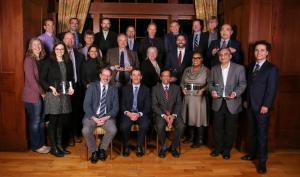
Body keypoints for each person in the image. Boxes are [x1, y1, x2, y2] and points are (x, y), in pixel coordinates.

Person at [241, 40, 278, 174]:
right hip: (250, 105)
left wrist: (266, 105)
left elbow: (271, 89)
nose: (259, 53)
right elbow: (248, 86)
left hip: (262, 107)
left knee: (262, 135)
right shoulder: (250, 66)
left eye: (262, 50)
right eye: (257, 50)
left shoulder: (271, 69)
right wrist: (245, 100)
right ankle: (252, 154)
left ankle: (262, 162)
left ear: (267, 53)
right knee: (251, 133)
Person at [208, 47, 246, 160]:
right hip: (218, 101)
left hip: (232, 102)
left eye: (225, 54)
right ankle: (217, 149)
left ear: (230, 56)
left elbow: (242, 84)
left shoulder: (239, 68)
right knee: (217, 128)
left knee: (230, 129)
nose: (223, 56)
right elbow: (210, 83)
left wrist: (235, 93)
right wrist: (212, 91)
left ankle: (226, 150)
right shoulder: (214, 69)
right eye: (220, 55)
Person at [40, 42, 74, 157]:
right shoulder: (48, 62)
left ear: (64, 50)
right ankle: (54, 147)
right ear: (54, 50)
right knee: (53, 121)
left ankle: (60, 146)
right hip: (53, 95)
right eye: (57, 49)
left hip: (64, 95)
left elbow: (71, 79)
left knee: (61, 121)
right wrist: (50, 88)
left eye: (62, 49)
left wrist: (71, 88)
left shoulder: (68, 62)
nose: (60, 51)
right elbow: (42, 79)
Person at [82, 67, 119, 163]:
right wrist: (95, 118)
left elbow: (115, 108)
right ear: (100, 75)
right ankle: (94, 151)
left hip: (107, 116)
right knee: (86, 130)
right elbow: (86, 105)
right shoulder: (92, 87)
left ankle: (102, 149)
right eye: (104, 75)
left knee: (113, 129)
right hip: (92, 116)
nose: (106, 78)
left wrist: (106, 117)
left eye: (108, 76)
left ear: (111, 77)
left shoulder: (114, 89)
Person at [23, 38, 50, 154]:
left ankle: (41, 144)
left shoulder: (36, 59)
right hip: (31, 96)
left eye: (39, 44)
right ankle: (36, 146)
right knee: (35, 121)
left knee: (39, 120)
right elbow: (31, 80)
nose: (38, 46)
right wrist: (42, 92)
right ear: (30, 47)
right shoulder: (29, 60)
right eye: (35, 45)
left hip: (37, 95)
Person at [152, 69, 185, 158]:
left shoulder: (177, 88)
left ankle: (173, 147)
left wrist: (173, 116)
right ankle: (163, 147)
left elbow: (179, 103)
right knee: (159, 126)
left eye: (168, 76)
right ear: (160, 77)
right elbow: (154, 105)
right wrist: (164, 116)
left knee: (181, 126)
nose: (166, 78)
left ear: (170, 78)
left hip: (174, 114)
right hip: (161, 114)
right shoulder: (155, 89)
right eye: (164, 76)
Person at [181, 51, 209, 148]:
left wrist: (203, 90)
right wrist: (183, 88)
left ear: (201, 59)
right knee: (189, 117)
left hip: (198, 97)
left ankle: (200, 140)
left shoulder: (206, 70)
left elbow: (210, 84)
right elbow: (182, 82)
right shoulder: (187, 69)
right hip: (188, 95)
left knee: (198, 118)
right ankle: (191, 137)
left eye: (198, 58)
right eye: (194, 58)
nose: (195, 60)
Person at [120, 69, 151, 157]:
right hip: (128, 113)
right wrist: (128, 113)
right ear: (131, 77)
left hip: (141, 113)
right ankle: (126, 146)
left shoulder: (146, 89)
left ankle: (139, 146)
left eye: (138, 75)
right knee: (124, 126)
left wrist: (138, 114)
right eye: (134, 75)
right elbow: (122, 104)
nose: (136, 77)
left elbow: (148, 106)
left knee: (145, 125)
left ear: (141, 77)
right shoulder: (125, 89)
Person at [63, 32, 85, 144]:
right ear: (63, 40)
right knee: (67, 112)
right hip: (65, 88)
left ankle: (76, 133)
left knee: (77, 111)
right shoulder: (60, 54)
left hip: (78, 86)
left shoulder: (80, 55)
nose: (70, 41)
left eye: (72, 39)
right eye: (67, 38)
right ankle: (69, 136)